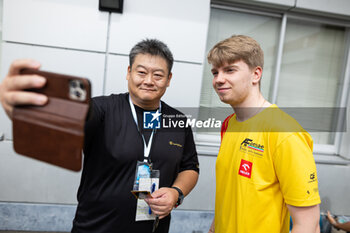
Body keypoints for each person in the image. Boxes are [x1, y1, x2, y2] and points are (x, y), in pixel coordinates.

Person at [0, 39, 199, 233]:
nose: (148, 81)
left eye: (157, 75)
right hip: (97, 226)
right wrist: (26, 112)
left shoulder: (177, 121)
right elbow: (63, 125)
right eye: (141, 72)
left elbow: (190, 167)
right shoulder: (101, 110)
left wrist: (176, 193)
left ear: (169, 79)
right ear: (128, 73)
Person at [206, 35, 321, 233]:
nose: (218, 79)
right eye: (215, 72)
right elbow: (230, 194)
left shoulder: (284, 132)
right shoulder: (228, 125)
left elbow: (308, 225)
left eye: (230, 70)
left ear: (256, 74)